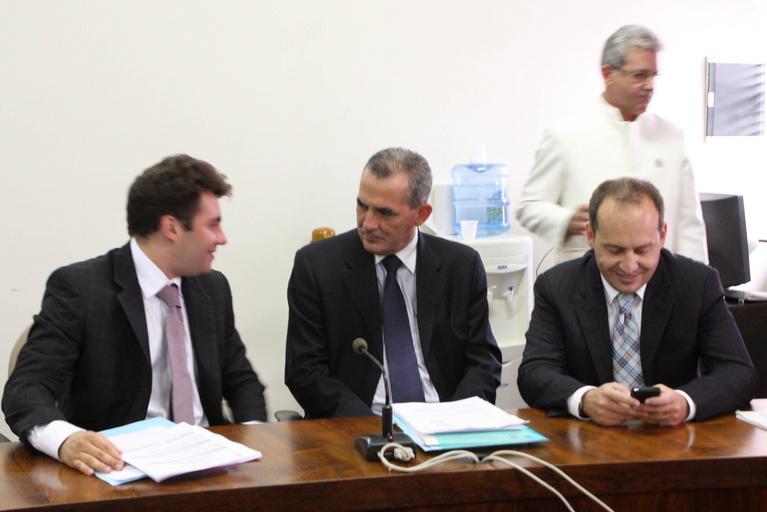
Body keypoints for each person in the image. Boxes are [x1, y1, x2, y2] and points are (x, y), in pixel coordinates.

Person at [3, 155, 267, 475]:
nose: (221, 238)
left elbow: (241, 380)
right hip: (118, 467)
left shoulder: (212, 288)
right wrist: (67, 439)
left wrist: (253, 439)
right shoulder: (81, 289)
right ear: (171, 228)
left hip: (210, 462)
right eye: (212, 225)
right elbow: (26, 389)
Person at [517, 177, 756, 426]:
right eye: (614, 250)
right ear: (590, 235)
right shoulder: (556, 286)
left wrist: (685, 402)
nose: (629, 266)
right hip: (588, 437)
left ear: (662, 236)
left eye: (642, 250)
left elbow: (738, 372)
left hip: (672, 436)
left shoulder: (698, 283)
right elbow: (534, 372)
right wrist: (586, 399)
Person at [285, 147, 502, 418]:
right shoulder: (318, 266)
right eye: (362, 206)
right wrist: (366, 426)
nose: (368, 223)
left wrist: (455, 420)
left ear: (421, 214)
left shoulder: (461, 266)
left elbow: (484, 362)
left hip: (445, 422)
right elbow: (304, 371)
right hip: (358, 423)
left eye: (385, 213)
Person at [516, 24, 707, 264]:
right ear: (608, 74)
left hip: (659, 277)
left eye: (653, 75)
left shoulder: (672, 137)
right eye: (640, 75)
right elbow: (529, 207)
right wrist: (566, 220)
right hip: (586, 275)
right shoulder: (565, 134)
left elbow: (689, 226)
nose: (650, 86)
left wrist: (699, 281)